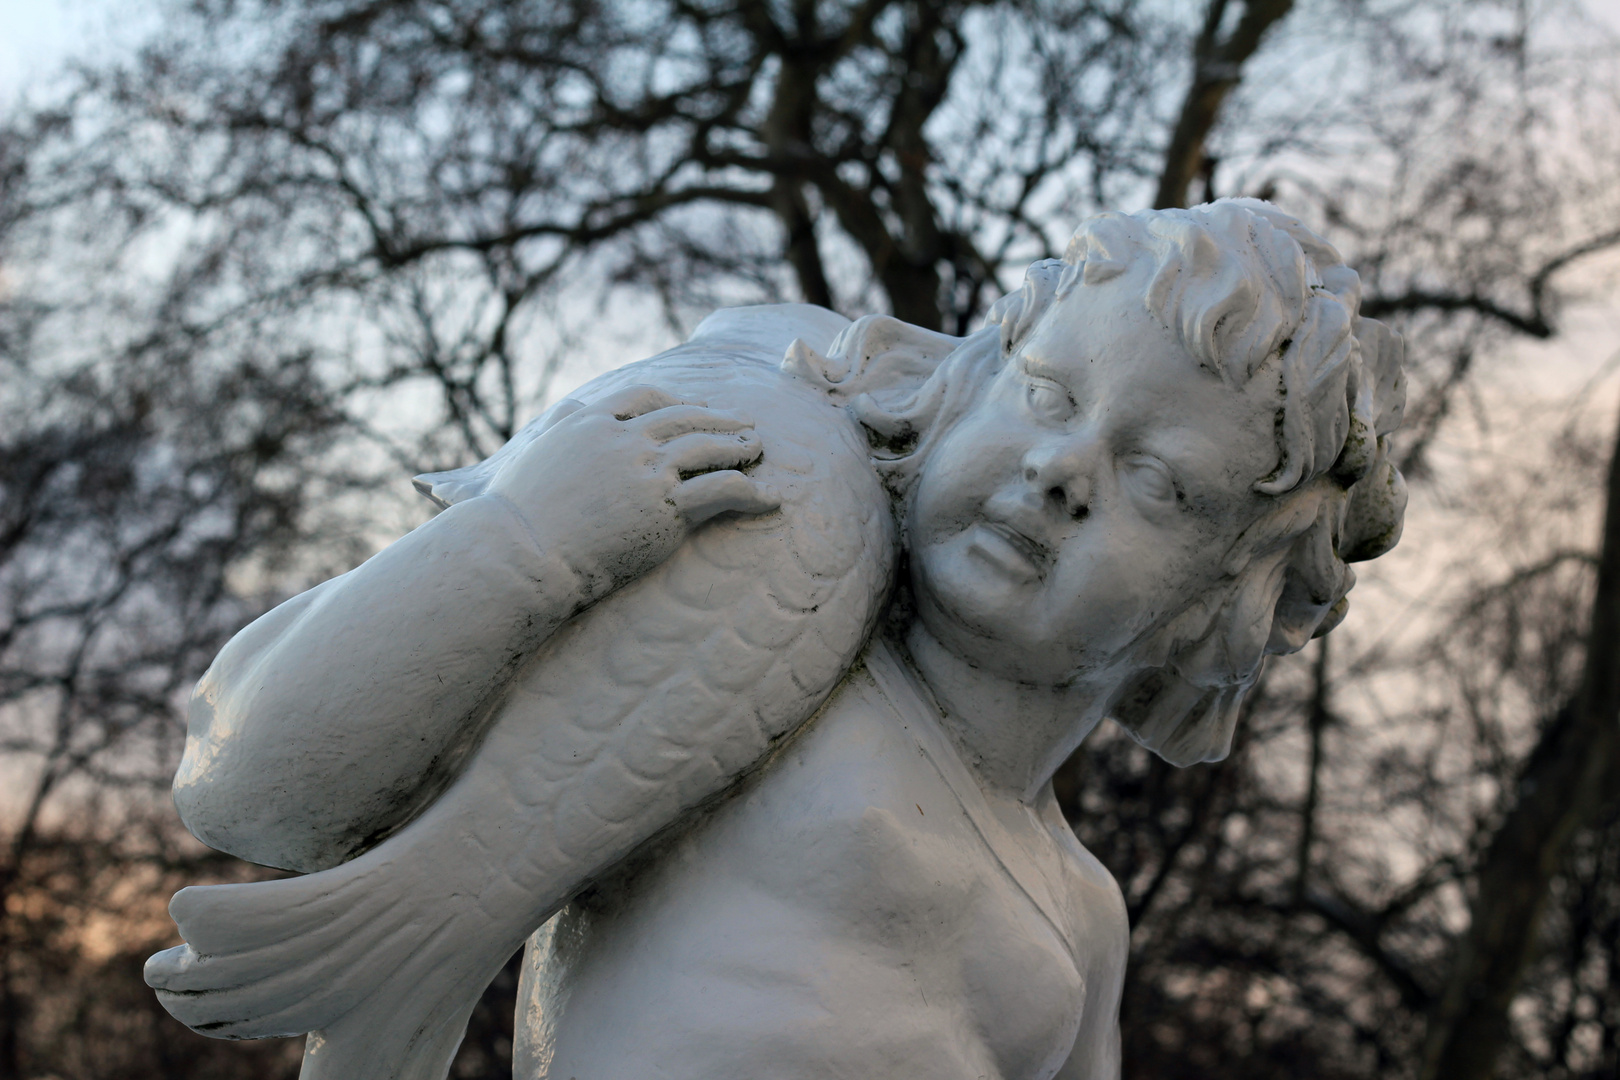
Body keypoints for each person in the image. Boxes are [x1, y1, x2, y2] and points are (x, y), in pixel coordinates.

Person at [148, 200, 1407, 1080]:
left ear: (1216, 606)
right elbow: (253, 785)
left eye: (1162, 482)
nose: (1065, 467)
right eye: (1048, 393)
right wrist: (528, 538)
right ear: (966, 378)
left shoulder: (1084, 918)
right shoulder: (764, 625)